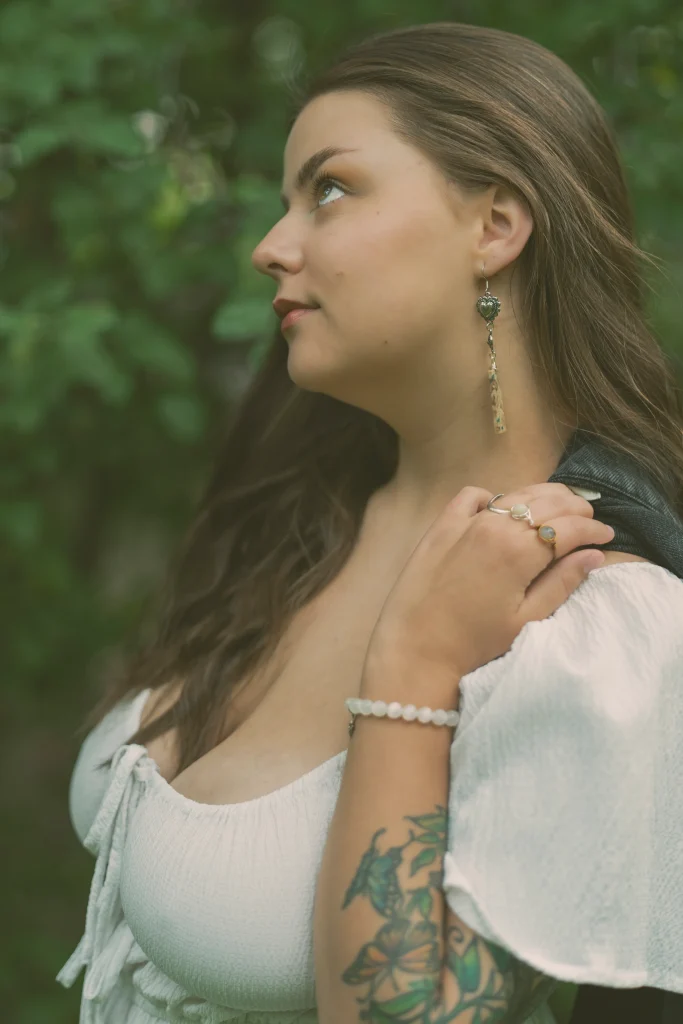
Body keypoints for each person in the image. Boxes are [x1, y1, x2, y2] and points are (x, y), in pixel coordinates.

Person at [56, 21, 683, 1024]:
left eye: (330, 189)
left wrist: (414, 672)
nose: (271, 246)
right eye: (283, 203)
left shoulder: (598, 621)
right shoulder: (298, 511)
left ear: (494, 226)